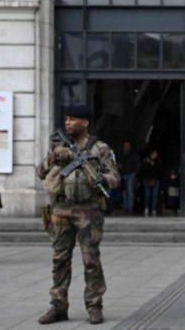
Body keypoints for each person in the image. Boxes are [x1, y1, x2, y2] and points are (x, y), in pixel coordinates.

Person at [36, 105, 120, 325]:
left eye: (73, 119)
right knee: (59, 260)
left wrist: (103, 179)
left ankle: (94, 306)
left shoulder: (100, 148)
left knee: (91, 260)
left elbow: (115, 177)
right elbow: (40, 171)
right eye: (66, 119)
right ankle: (58, 306)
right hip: (60, 210)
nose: (67, 123)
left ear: (85, 122)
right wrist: (54, 158)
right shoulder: (58, 145)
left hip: (88, 211)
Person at [117, 141, 140, 214]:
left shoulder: (133, 154)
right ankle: (125, 207)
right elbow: (118, 162)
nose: (126, 147)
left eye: (127, 145)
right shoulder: (121, 154)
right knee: (124, 191)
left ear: (130, 146)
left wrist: (134, 172)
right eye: (125, 145)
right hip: (123, 174)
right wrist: (119, 166)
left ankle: (130, 208)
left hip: (130, 174)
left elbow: (138, 163)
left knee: (130, 191)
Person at [138, 148, 162, 217]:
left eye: (156, 153)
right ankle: (146, 208)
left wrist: (153, 165)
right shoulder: (145, 161)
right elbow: (142, 171)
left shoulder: (158, 162)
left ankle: (154, 209)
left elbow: (159, 170)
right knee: (147, 195)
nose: (155, 155)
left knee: (155, 195)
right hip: (147, 179)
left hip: (156, 180)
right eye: (154, 153)